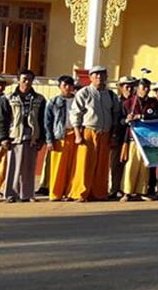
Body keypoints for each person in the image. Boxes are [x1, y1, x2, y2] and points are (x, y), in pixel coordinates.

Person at [69, 66, 122, 202]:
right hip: (88, 132)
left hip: (105, 133)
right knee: (85, 164)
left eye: (102, 75)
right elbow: (76, 113)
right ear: (90, 78)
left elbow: (115, 115)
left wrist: (114, 134)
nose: (99, 77)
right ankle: (80, 193)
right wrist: (77, 134)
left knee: (102, 165)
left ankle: (99, 193)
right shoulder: (84, 93)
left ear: (106, 77)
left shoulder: (111, 95)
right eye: (96, 75)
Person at [0, 70, 46, 202]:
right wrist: (3, 138)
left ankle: (27, 194)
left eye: (30, 79)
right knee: (13, 166)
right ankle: (11, 194)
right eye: (24, 79)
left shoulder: (40, 99)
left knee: (29, 167)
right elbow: (2, 119)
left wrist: (41, 138)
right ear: (18, 80)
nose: (27, 82)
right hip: (15, 135)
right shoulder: (8, 98)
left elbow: (42, 119)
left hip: (32, 135)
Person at [44, 75, 76, 201]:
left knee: (73, 166)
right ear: (59, 87)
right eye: (64, 85)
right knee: (58, 167)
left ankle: (70, 192)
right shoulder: (53, 102)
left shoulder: (78, 100)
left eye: (70, 85)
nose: (67, 88)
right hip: (60, 136)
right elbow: (48, 122)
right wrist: (49, 140)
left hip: (75, 135)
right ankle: (55, 193)